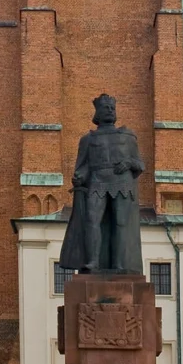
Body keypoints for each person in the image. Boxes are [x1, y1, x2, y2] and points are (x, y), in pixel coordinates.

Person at [59, 94, 144, 273]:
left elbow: (139, 164)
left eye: (112, 108)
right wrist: (79, 177)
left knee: (120, 223)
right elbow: (82, 167)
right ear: (97, 113)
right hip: (97, 182)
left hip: (122, 183)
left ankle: (119, 264)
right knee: (92, 220)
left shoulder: (128, 136)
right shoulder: (87, 139)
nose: (111, 111)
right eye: (106, 108)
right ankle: (93, 262)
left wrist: (128, 163)